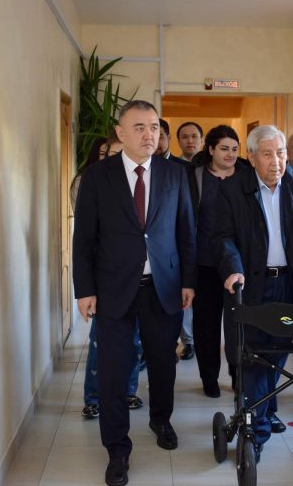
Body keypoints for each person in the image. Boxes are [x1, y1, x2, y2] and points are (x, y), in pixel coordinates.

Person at [73, 100, 196, 486]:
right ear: (121, 133)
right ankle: (117, 449)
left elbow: (186, 231)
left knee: (163, 364)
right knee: (113, 371)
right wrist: (84, 290)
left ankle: (161, 420)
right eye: (139, 127)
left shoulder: (175, 174)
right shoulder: (98, 177)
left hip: (163, 287)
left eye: (154, 127)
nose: (149, 135)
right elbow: (84, 239)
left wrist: (188, 281)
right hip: (112, 289)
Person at [213, 125, 293, 457]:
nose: (277, 161)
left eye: (281, 153)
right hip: (255, 284)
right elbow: (223, 237)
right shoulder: (232, 188)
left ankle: (264, 408)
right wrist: (233, 268)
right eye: (268, 154)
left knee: (281, 349)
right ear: (251, 156)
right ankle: (257, 431)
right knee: (257, 354)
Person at [79, 135, 146, 419]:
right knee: (100, 343)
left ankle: (129, 390)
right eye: (108, 153)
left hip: (137, 277)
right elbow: (86, 238)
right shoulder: (91, 182)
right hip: (106, 278)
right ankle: (94, 396)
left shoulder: (140, 184)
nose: (114, 159)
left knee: (135, 341)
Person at [187, 125, 249, 398]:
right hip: (204, 263)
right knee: (206, 326)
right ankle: (209, 377)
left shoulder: (246, 176)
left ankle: (238, 376)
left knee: (238, 324)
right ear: (211, 149)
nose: (230, 154)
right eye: (224, 148)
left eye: (234, 149)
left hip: (238, 266)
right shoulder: (196, 176)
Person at [175, 121, 204, 360]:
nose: (190, 141)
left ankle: (199, 339)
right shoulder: (172, 168)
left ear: (202, 140)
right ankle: (188, 341)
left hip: (206, 240)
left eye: (194, 136)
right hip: (180, 239)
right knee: (184, 290)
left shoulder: (209, 168)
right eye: (185, 137)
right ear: (178, 141)